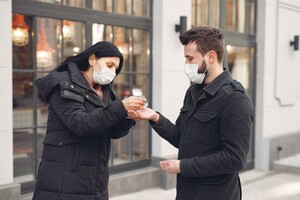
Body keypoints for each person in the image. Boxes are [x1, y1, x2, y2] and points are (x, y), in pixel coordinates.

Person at [128, 26, 254, 200]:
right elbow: (181, 137)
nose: (186, 64)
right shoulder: (193, 92)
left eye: (190, 58)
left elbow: (235, 158)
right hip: (187, 192)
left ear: (210, 57)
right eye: (185, 58)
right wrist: (155, 117)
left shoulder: (235, 99)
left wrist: (183, 166)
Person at [32, 41, 145, 200]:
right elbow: (81, 124)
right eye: (109, 65)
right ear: (92, 59)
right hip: (65, 178)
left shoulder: (104, 90)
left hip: (95, 179)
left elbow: (111, 130)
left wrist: (127, 116)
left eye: (115, 69)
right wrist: (120, 108)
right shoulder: (65, 85)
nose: (112, 72)